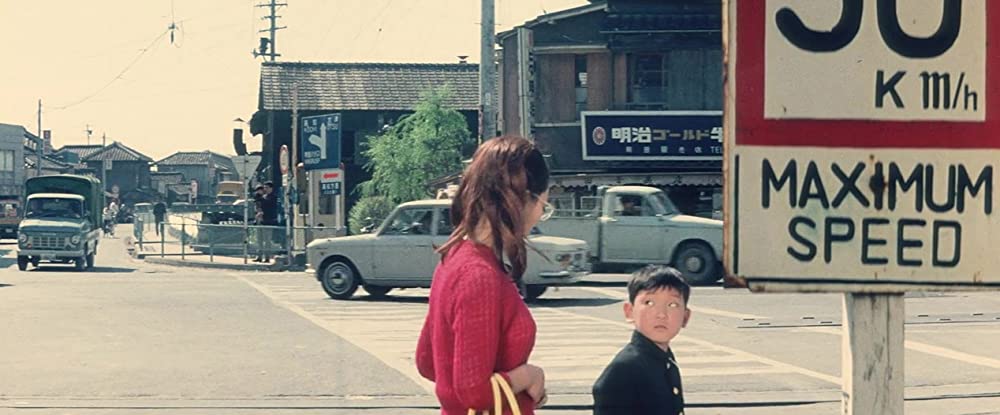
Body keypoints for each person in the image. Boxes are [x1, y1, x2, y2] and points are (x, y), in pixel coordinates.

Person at [416, 136, 551, 415]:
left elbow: (427, 362)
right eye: (544, 207)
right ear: (523, 198)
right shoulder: (481, 276)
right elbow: (473, 392)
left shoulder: (452, 259)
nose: (539, 216)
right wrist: (528, 376)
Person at [592, 265, 692, 415]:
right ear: (629, 311)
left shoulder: (664, 359)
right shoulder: (625, 368)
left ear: (685, 317)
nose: (661, 314)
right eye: (649, 303)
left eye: (672, 305)